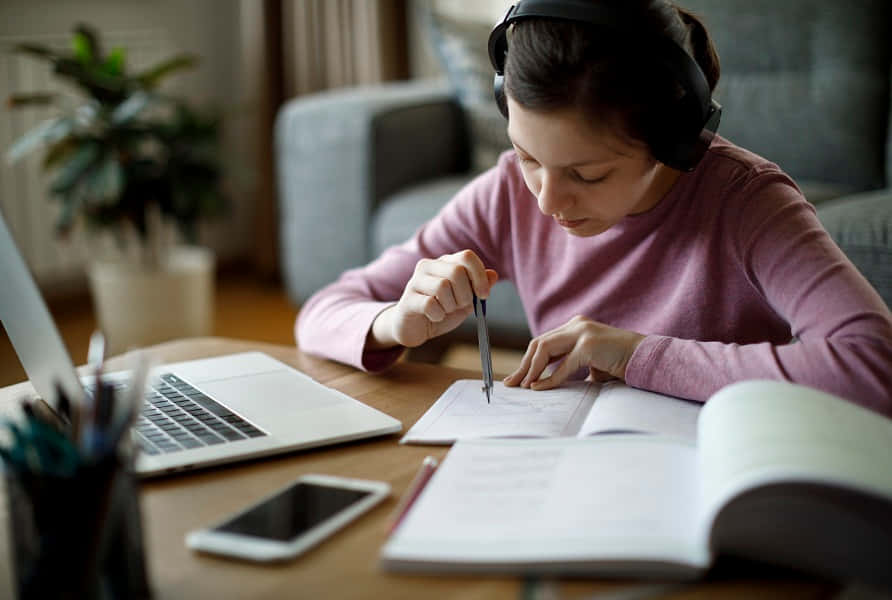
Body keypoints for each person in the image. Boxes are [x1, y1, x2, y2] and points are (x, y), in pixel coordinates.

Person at [295, 0, 892, 414]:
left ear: (673, 142)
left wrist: (633, 354)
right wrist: (396, 321)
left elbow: (871, 367)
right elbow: (322, 310)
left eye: (587, 173)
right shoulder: (507, 193)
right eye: (528, 155)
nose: (548, 200)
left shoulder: (747, 203)